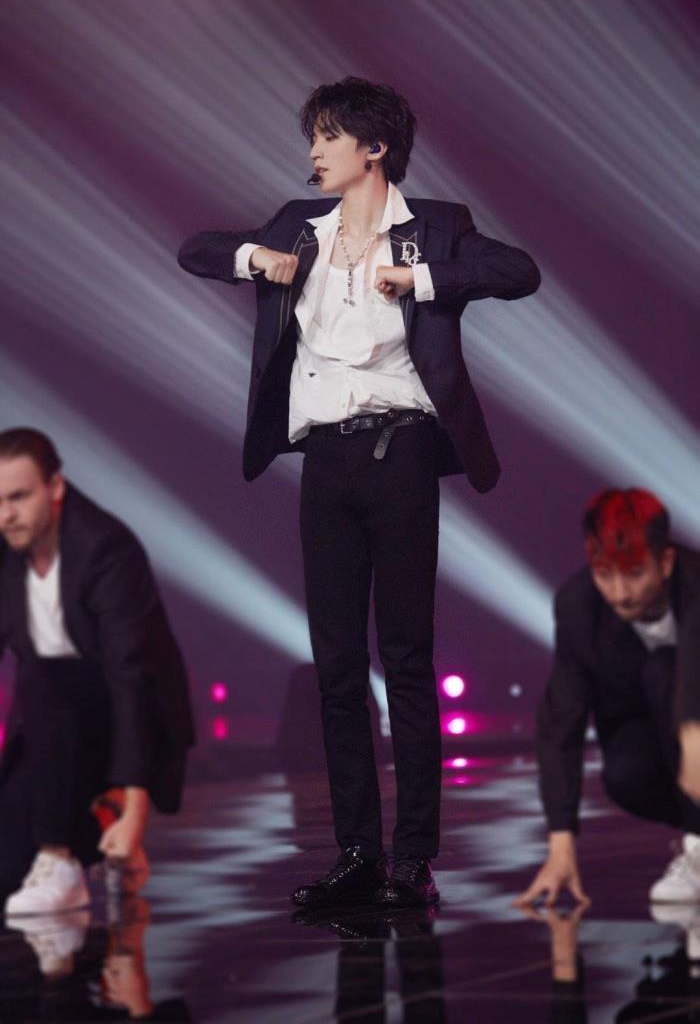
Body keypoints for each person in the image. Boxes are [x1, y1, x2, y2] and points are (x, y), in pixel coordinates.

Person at [179, 76, 540, 908]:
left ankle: (413, 860)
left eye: (328, 136)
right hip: (325, 462)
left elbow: (518, 272)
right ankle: (357, 855)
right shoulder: (295, 227)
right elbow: (196, 248)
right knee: (337, 666)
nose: (314, 152)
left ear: (374, 148)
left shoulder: (433, 228)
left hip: (401, 451)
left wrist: (418, 281)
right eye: (313, 136)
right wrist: (256, 260)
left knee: (406, 659)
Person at [0, 428, 195, 915]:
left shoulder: (105, 549)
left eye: (19, 497)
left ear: (55, 487)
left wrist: (135, 813)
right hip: (52, 733)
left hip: (127, 721)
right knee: (5, 874)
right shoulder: (6, 548)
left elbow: (133, 680)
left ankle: (62, 858)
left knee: (44, 674)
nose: (6, 515)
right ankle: (96, 824)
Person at [517, 488, 700, 909]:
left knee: (664, 669)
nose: (619, 593)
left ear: (665, 561)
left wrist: (693, 734)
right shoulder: (578, 606)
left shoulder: (695, 581)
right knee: (624, 775)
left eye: (634, 573)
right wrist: (560, 844)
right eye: (604, 574)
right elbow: (561, 720)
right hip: (651, 728)